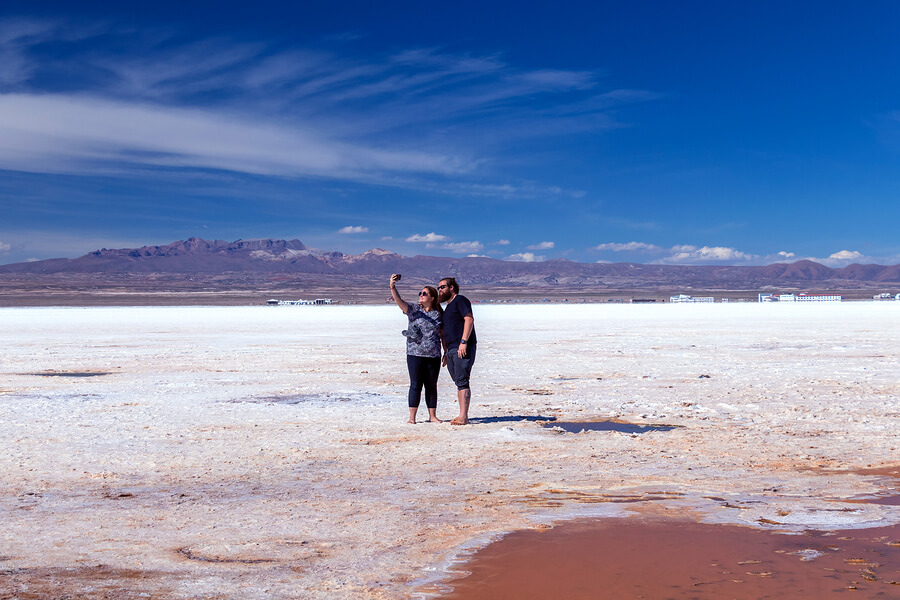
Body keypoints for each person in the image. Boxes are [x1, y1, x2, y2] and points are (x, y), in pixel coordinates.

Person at [390, 274, 444, 424]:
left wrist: (445, 352)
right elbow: (400, 302)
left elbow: (442, 334)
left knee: (431, 386)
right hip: (414, 354)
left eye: (424, 293)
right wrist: (393, 287)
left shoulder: (439, 313)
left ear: (432, 297)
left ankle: (432, 416)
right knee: (415, 385)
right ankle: (412, 418)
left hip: (433, 355)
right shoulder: (414, 310)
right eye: (420, 293)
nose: (421, 295)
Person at [437, 277, 476, 425]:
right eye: (439, 288)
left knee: (462, 381)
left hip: (462, 346)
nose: (440, 290)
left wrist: (464, 342)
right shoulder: (448, 307)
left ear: (451, 287)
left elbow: (469, 319)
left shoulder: (460, 300)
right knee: (458, 381)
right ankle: (462, 414)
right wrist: (446, 352)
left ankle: (463, 416)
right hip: (452, 349)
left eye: (442, 287)